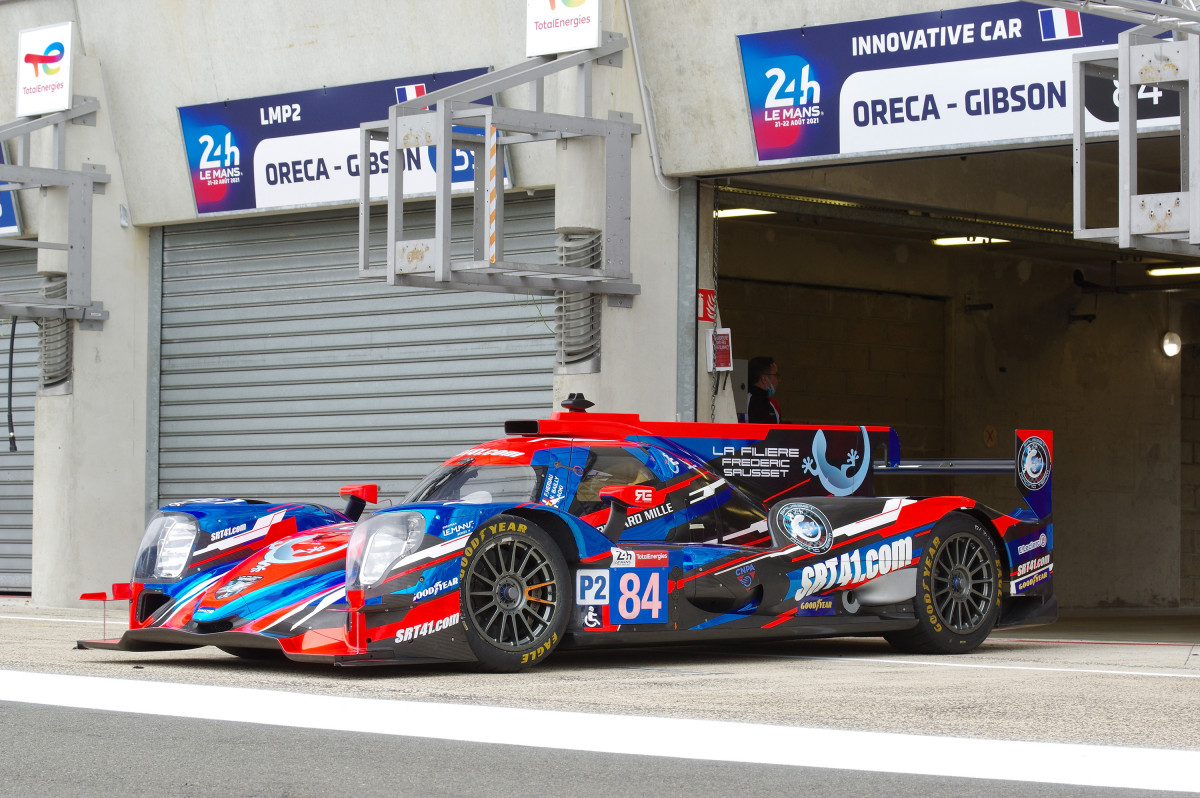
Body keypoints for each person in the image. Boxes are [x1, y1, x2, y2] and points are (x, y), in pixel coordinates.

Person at [746, 356, 781, 423]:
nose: (779, 380)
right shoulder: (743, 403)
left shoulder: (773, 404)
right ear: (764, 378)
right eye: (776, 375)